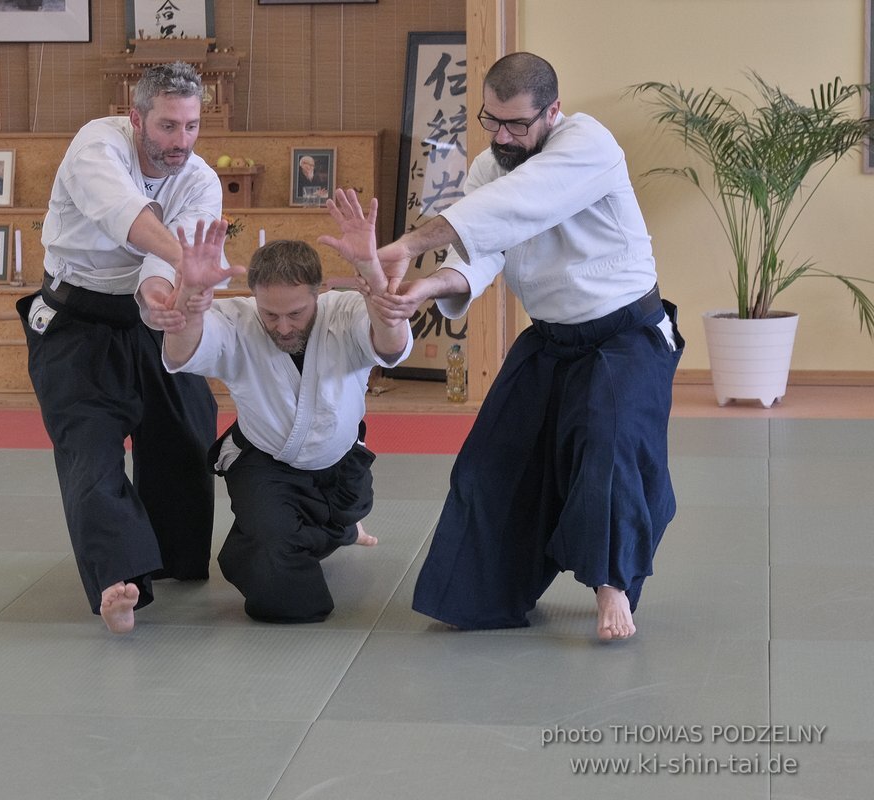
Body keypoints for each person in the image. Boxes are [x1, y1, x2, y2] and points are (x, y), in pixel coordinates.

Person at [369, 52, 684, 640]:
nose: (504, 137)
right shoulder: (490, 167)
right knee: (494, 459)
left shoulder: (587, 143)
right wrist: (425, 287)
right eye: (492, 122)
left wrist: (410, 243)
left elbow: (521, 203)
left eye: (518, 124)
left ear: (552, 112)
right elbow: (482, 251)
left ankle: (611, 584)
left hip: (624, 336)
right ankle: (481, 592)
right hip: (551, 340)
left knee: (608, 444)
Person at [15, 61, 224, 634]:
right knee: (91, 448)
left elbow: (167, 251)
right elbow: (127, 218)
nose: (180, 142)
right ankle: (118, 579)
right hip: (76, 322)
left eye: (190, 126)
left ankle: (176, 557)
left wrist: (161, 290)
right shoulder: (96, 146)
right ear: (136, 119)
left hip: (148, 316)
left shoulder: (201, 179)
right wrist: (188, 266)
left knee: (187, 429)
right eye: (167, 127)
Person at [160, 189, 412, 623]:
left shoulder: (346, 311)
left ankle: (309, 531)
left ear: (321, 291)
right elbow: (181, 354)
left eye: (295, 313)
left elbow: (390, 346)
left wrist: (370, 270)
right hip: (267, 461)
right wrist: (192, 304)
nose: (281, 326)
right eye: (270, 314)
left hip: (340, 464)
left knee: (342, 515)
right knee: (282, 585)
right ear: (253, 295)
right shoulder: (237, 319)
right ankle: (258, 543)